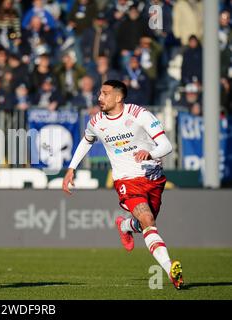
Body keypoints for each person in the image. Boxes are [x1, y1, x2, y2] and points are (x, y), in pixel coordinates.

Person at [62, 80, 184, 290]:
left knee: (146, 223)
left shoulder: (139, 115)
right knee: (147, 219)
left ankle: (125, 225)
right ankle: (171, 269)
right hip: (126, 180)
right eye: (100, 93)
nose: (100, 98)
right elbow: (86, 140)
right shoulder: (97, 121)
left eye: (105, 94)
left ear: (118, 97)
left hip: (153, 179)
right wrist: (71, 168)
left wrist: (151, 153)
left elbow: (166, 145)